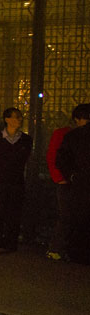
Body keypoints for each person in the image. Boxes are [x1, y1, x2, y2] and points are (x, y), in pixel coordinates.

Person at [0, 107, 32, 251]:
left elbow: (24, 158)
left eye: (19, 117)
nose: (18, 120)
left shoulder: (25, 139)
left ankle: (11, 240)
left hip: (16, 180)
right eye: (15, 117)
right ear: (7, 120)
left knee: (14, 211)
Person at [48, 103, 90, 261]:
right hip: (75, 181)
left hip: (74, 182)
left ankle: (65, 250)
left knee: (69, 216)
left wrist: (66, 176)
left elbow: (58, 158)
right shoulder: (70, 134)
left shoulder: (69, 135)